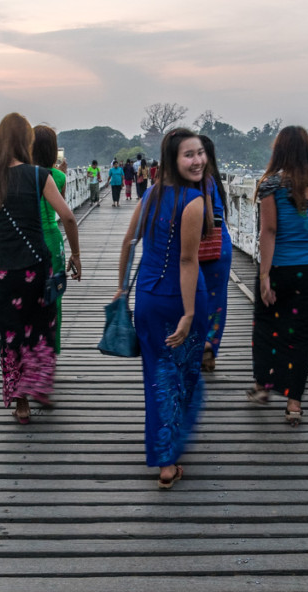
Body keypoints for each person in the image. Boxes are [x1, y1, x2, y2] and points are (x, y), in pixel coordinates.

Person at [0, 113, 82, 425]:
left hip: (2, 272)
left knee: (10, 334)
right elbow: (68, 217)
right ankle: (40, 383)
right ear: (25, 142)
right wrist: (77, 255)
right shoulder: (38, 176)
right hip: (37, 267)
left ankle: (21, 404)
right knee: (40, 327)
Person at [114, 128, 212, 489]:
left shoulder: (152, 193)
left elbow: (128, 241)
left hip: (148, 299)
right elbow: (188, 261)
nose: (197, 160)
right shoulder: (194, 200)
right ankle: (169, 453)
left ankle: (164, 458)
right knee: (184, 375)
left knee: (157, 375)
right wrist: (188, 314)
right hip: (182, 299)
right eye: (189, 154)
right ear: (173, 159)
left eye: (200, 153)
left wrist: (122, 288)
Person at [247, 125, 308, 427]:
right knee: (300, 338)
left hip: (278, 270)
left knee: (266, 327)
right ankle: (294, 405)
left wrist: (263, 277)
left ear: (279, 150)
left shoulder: (270, 185)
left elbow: (269, 231)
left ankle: (263, 388)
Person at [32, 125, 73, 354]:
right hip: (52, 238)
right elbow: (62, 208)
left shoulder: (24, 174)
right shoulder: (57, 176)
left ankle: (31, 346)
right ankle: (50, 348)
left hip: (27, 239)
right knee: (53, 295)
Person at [197, 135, 232, 373]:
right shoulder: (216, 181)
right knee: (216, 301)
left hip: (199, 246)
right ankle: (210, 347)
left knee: (192, 298)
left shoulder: (199, 180)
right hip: (222, 245)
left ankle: (199, 345)